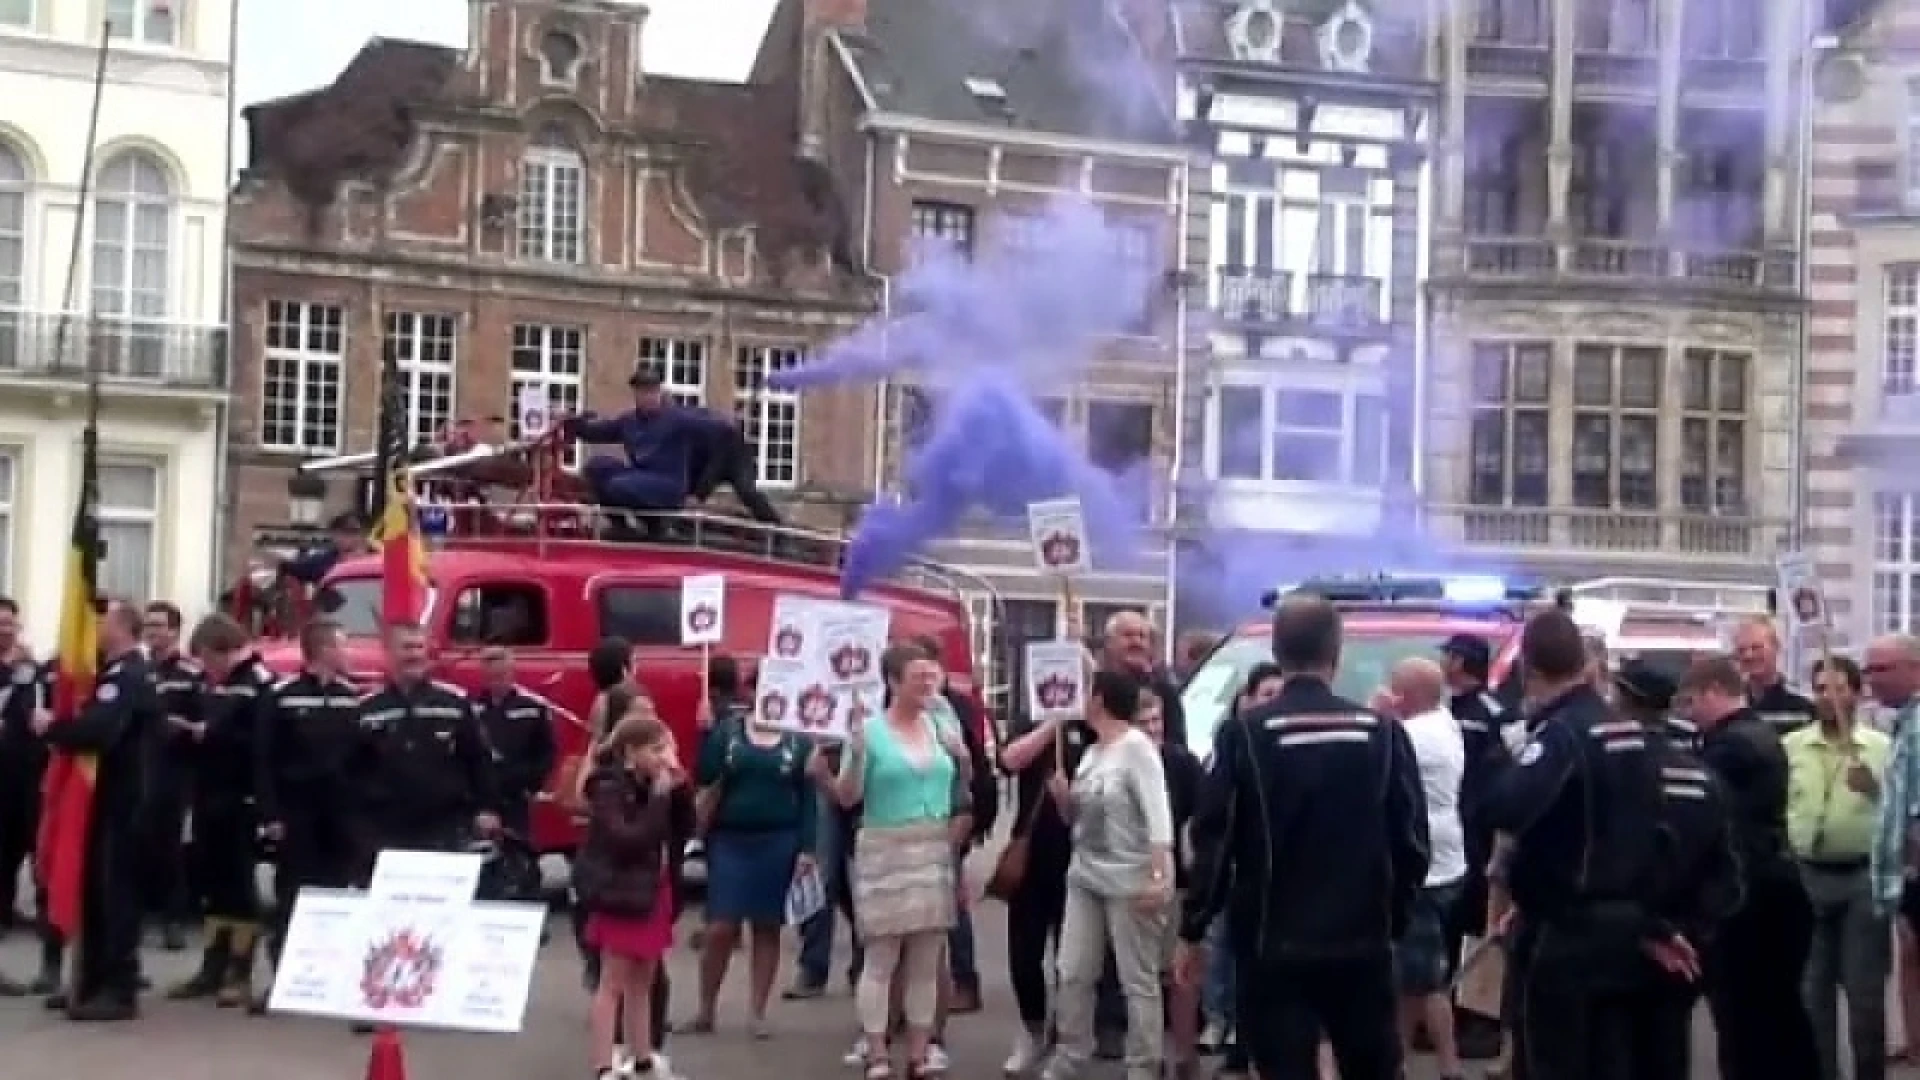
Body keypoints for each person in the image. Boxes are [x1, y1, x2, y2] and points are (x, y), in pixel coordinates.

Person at [1174, 593, 1428, 1080]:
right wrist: (1392, 919)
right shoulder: (1383, 734)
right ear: (1336, 652)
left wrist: (1194, 929)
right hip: (1361, 944)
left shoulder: (1244, 734)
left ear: (1277, 650)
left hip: (1274, 945)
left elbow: (1213, 839)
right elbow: (1412, 842)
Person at [1479, 608, 1668, 1080]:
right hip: (1628, 924)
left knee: (1556, 1062)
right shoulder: (1627, 729)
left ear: (1530, 669)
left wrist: (1502, 761)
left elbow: (1505, 807)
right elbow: (1658, 828)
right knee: (1611, 1060)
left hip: (1569, 928)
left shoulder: (1561, 733)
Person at [1679, 653, 1820, 1080]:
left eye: (1691, 702)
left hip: (1750, 894)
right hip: (1776, 885)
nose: (1689, 714)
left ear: (1713, 692)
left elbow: (1703, 810)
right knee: (1780, 1012)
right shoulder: (1754, 734)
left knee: (1744, 1017)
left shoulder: (1732, 745)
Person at [835, 644, 970, 1080]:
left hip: (932, 844)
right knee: (881, 955)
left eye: (932, 678)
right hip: (884, 845)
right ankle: (876, 1051)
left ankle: (917, 1052)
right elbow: (847, 796)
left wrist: (963, 756)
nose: (928, 687)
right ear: (893, 683)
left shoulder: (940, 724)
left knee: (927, 958)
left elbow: (963, 780)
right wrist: (854, 753)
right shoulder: (870, 730)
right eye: (918, 679)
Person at [1039, 669, 1175, 1080]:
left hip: (1129, 877)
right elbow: (1079, 819)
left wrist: (1158, 874)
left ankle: (1143, 1065)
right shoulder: (1093, 754)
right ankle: (1070, 1054)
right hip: (1085, 874)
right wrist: (1064, 800)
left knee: (1138, 978)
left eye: (1085, 693)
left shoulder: (1137, 749)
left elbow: (1158, 815)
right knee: (1074, 968)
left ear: (1099, 699)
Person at [1615, 659, 1743, 1080]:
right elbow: (1726, 875)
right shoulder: (1703, 776)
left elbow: (1603, 866)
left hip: (1617, 943)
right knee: (1669, 1053)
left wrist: (1647, 929)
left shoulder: (1607, 771)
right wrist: (1692, 932)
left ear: (1623, 699)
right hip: (1683, 948)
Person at [35, 599, 160, 1022]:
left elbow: (101, 731)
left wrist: (52, 727)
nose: (96, 629)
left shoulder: (128, 676)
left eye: (103, 622)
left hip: (127, 800)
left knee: (116, 893)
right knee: (97, 892)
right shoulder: (111, 673)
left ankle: (119, 989)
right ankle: (91, 978)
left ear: (123, 628)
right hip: (105, 798)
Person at [997, 618, 1103, 1076]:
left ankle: (1069, 1036)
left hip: (1079, 855)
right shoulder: (1032, 719)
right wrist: (1051, 722)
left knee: (1072, 959)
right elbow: (1008, 759)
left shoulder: (1097, 727)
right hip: (1031, 854)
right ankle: (1031, 1028)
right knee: (1024, 952)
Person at [1785, 654, 1890, 1080]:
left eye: (1838, 688)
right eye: (1820, 689)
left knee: (1865, 998)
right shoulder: (1791, 746)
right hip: (1808, 876)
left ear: (1857, 694)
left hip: (1862, 879)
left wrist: (1877, 788)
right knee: (1813, 995)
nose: (1828, 697)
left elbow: (1903, 812)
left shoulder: (1881, 748)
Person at [689, 685, 815, 1037]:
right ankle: (705, 1009)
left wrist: (808, 847)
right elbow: (703, 775)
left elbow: (808, 798)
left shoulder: (797, 741)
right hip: (730, 839)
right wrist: (704, 732)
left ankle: (757, 1011)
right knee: (720, 928)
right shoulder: (728, 732)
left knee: (766, 926)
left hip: (778, 840)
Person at [575, 708, 695, 1080]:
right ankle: (603, 1065)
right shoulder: (608, 787)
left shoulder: (654, 785)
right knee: (613, 981)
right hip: (620, 892)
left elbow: (685, 829)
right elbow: (630, 839)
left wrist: (679, 787)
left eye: (666, 749)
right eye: (656, 749)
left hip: (653, 891)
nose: (664, 758)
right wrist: (659, 796)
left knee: (644, 978)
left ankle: (643, 1057)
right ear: (630, 752)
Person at [252, 618, 362, 1014]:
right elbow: (262, 758)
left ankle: (328, 980)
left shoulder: (351, 697)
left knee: (335, 897)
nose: (347, 653)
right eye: (342, 645)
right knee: (291, 899)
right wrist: (270, 813)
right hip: (296, 813)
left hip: (339, 815)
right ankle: (284, 979)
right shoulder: (280, 696)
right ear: (322, 651)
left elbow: (360, 760)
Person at [166, 614, 274, 1009]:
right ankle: (212, 966)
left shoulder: (256, 683)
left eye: (207, 658)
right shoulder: (220, 684)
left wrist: (205, 733)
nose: (205, 668)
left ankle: (239, 970)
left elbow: (258, 742)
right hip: (209, 794)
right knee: (213, 885)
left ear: (220, 649)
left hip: (240, 797)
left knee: (240, 886)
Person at [1376, 658, 1467, 1080]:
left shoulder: (1415, 735)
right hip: (1447, 862)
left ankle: (1444, 1066)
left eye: (1393, 685)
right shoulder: (1445, 723)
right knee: (1415, 976)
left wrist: (1378, 715)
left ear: (1406, 695)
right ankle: (1400, 1061)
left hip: (1424, 870)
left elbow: (1372, 754)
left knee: (1424, 979)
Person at [346, 622, 501, 869]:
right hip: (386, 830)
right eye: (407, 647)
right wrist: (358, 830)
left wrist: (487, 807)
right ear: (389, 652)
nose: (415, 654)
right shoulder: (366, 710)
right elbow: (350, 772)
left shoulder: (455, 703)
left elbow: (479, 759)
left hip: (446, 828)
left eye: (419, 647)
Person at [1200, 664, 1285, 1080]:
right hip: (1243, 879)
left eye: (1279, 693)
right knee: (1235, 964)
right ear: (1247, 699)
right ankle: (1237, 1041)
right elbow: (1216, 820)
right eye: (1266, 695)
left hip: (1287, 888)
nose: (1274, 703)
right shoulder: (1235, 739)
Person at [1435, 632, 1509, 1061]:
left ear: (1460, 663)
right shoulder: (1497, 712)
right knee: (1466, 928)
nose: (1444, 663)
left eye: (1447, 656)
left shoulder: (1461, 716)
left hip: (1471, 836)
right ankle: (1454, 1014)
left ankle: (1479, 1022)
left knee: (1474, 928)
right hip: (1473, 833)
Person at [1138, 688, 1205, 1080]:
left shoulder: (1181, 763)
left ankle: (1185, 1055)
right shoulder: (1116, 762)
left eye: (1157, 721)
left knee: (1180, 975)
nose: (1152, 730)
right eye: (1143, 723)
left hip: (1175, 881)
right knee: (1141, 976)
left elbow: (1199, 821)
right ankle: (1147, 1056)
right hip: (1129, 882)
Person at [1864, 635, 1920, 1066]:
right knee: (1909, 956)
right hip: (1905, 870)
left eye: (1879, 669)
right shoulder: (1906, 721)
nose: (1870, 680)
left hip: (1916, 866)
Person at [140, 600, 199, 951]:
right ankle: (141, 915)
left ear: (175, 631)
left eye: (159, 626)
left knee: (172, 850)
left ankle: (173, 919)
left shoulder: (191, 674)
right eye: (148, 626)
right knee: (138, 846)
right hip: (141, 770)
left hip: (176, 773)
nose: (152, 632)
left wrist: (185, 726)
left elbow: (203, 723)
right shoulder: (140, 671)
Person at [574, 368, 706, 517]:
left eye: (652, 392)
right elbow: (602, 432)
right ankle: (620, 525)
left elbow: (717, 437)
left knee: (617, 486)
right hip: (639, 477)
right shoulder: (630, 421)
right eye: (642, 392)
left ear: (660, 393)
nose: (647, 397)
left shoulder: (678, 419)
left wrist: (700, 489)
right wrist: (578, 425)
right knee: (596, 466)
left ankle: (654, 523)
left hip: (667, 485)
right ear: (635, 395)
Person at [468, 646, 559, 840]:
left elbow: (547, 752)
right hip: (482, 801)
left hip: (517, 797)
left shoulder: (532, 708)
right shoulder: (470, 709)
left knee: (518, 852)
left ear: (511, 674)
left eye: (501, 675)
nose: (497, 682)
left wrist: (531, 784)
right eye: (492, 677)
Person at [686, 410, 782, 524]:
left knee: (746, 491)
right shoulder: (685, 429)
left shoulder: (714, 432)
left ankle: (773, 523)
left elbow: (714, 468)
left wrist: (699, 494)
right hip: (709, 458)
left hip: (736, 456)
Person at [1734, 618, 1818, 735]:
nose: (1748, 655)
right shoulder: (1731, 704)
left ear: (1776, 647)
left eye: (1756, 647)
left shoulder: (1803, 704)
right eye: (1741, 650)